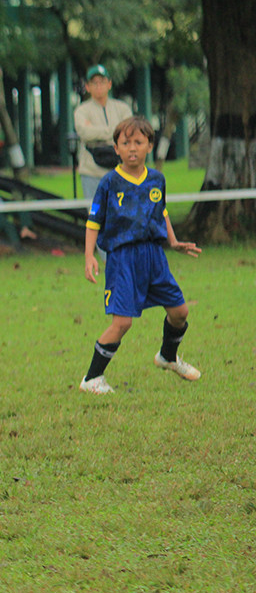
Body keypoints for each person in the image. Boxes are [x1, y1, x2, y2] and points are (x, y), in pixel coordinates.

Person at [80, 116, 202, 395]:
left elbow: (162, 211)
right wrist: (89, 256)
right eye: (125, 143)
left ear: (149, 145)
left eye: (138, 142)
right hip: (123, 259)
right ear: (116, 148)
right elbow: (93, 221)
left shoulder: (157, 179)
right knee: (122, 322)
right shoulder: (110, 182)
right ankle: (92, 378)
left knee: (180, 311)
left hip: (154, 257)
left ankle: (168, 356)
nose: (132, 148)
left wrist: (173, 241)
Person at [74, 64, 134, 200]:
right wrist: (115, 130)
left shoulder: (122, 108)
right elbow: (84, 133)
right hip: (91, 171)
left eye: (102, 82)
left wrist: (97, 130)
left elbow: (129, 132)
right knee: (95, 216)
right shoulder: (82, 110)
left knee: (121, 214)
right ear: (88, 87)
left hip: (120, 170)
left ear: (109, 84)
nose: (99, 86)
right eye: (94, 83)